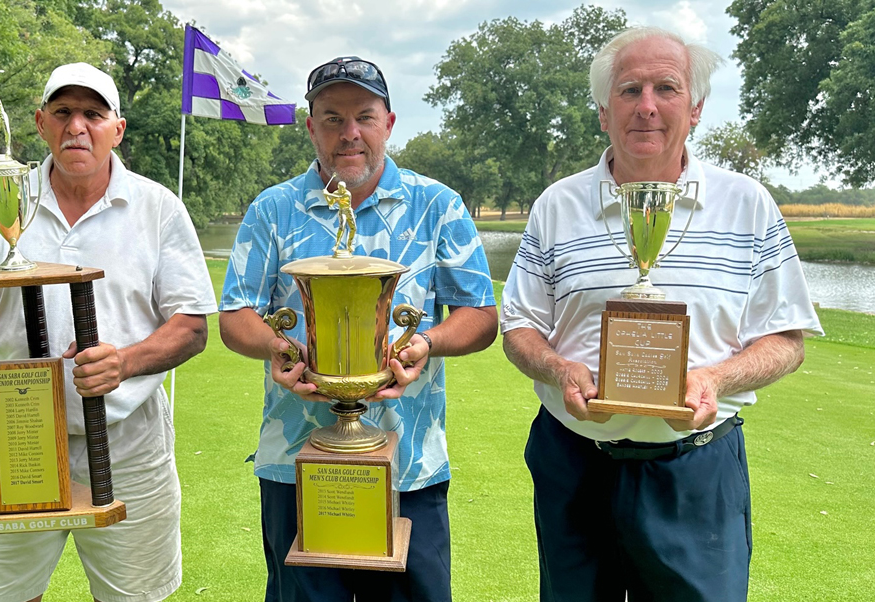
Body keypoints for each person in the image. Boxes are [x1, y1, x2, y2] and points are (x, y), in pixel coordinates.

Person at [500, 27, 823, 602]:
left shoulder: (748, 204)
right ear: (604, 111)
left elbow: (786, 339)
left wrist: (715, 379)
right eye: (629, 90)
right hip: (575, 463)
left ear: (695, 108)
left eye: (666, 88)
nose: (646, 106)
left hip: (695, 472)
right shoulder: (558, 205)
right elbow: (519, 328)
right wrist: (558, 369)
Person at [0, 62, 216, 602]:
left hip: (128, 440)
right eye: (63, 112)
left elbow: (191, 326)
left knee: (134, 596)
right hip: (18, 436)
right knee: (13, 595)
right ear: (40, 123)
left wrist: (124, 362)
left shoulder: (157, 208)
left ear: (117, 128)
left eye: (93, 113)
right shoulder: (0, 201)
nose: (77, 126)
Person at [218, 55, 497, 602]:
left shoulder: (437, 205)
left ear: (389, 123)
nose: (350, 134)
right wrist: (277, 347)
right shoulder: (273, 209)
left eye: (364, 117)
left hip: (410, 466)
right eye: (332, 118)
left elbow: (481, 315)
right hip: (294, 465)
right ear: (310, 127)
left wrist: (428, 343)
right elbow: (235, 316)